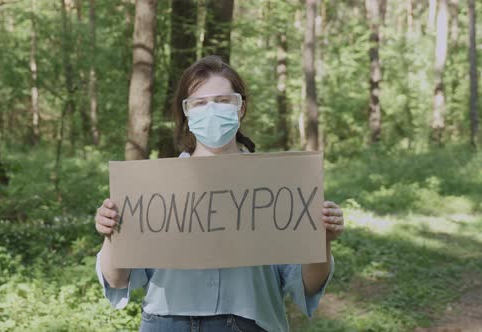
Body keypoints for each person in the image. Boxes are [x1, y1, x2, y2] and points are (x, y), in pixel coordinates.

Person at [94, 55, 345, 332]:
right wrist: (112, 234)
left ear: (240, 108)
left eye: (223, 101)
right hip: (167, 323)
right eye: (200, 103)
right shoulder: (152, 186)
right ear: (187, 113)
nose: (212, 110)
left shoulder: (278, 182)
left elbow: (307, 282)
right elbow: (117, 280)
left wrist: (321, 240)